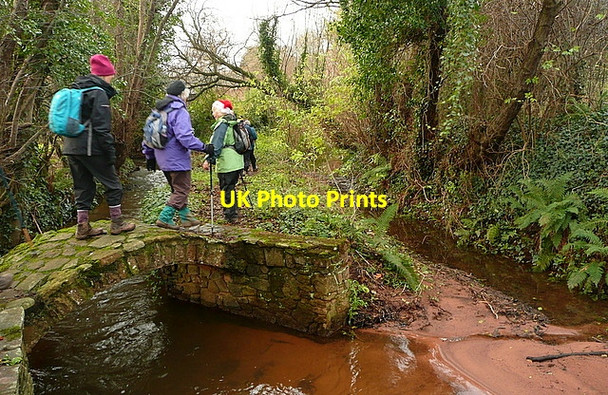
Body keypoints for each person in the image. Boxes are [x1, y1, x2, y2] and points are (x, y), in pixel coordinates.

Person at [63, 54, 135, 239]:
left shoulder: (78, 89)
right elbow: (102, 129)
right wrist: (110, 153)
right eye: (111, 74)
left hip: (71, 145)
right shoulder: (99, 93)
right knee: (113, 185)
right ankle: (117, 223)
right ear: (104, 75)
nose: (113, 78)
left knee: (83, 186)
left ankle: (82, 226)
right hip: (90, 147)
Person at [142, 80, 214, 229]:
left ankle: (186, 217)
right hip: (177, 160)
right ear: (183, 95)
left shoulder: (157, 111)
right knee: (182, 190)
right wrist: (204, 147)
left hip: (162, 160)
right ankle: (164, 218)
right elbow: (185, 137)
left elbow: (147, 137)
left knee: (177, 189)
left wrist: (149, 157)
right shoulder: (179, 111)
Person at [203, 99, 244, 223]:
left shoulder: (222, 124)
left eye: (214, 111)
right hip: (237, 160)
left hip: (227, 162)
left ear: (220, 112)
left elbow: (216, 145)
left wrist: (208, 160)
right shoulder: (233, 120)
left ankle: (230, 215)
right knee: (231, 187)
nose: (213, 114)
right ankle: (234, 211)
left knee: (226, 188)